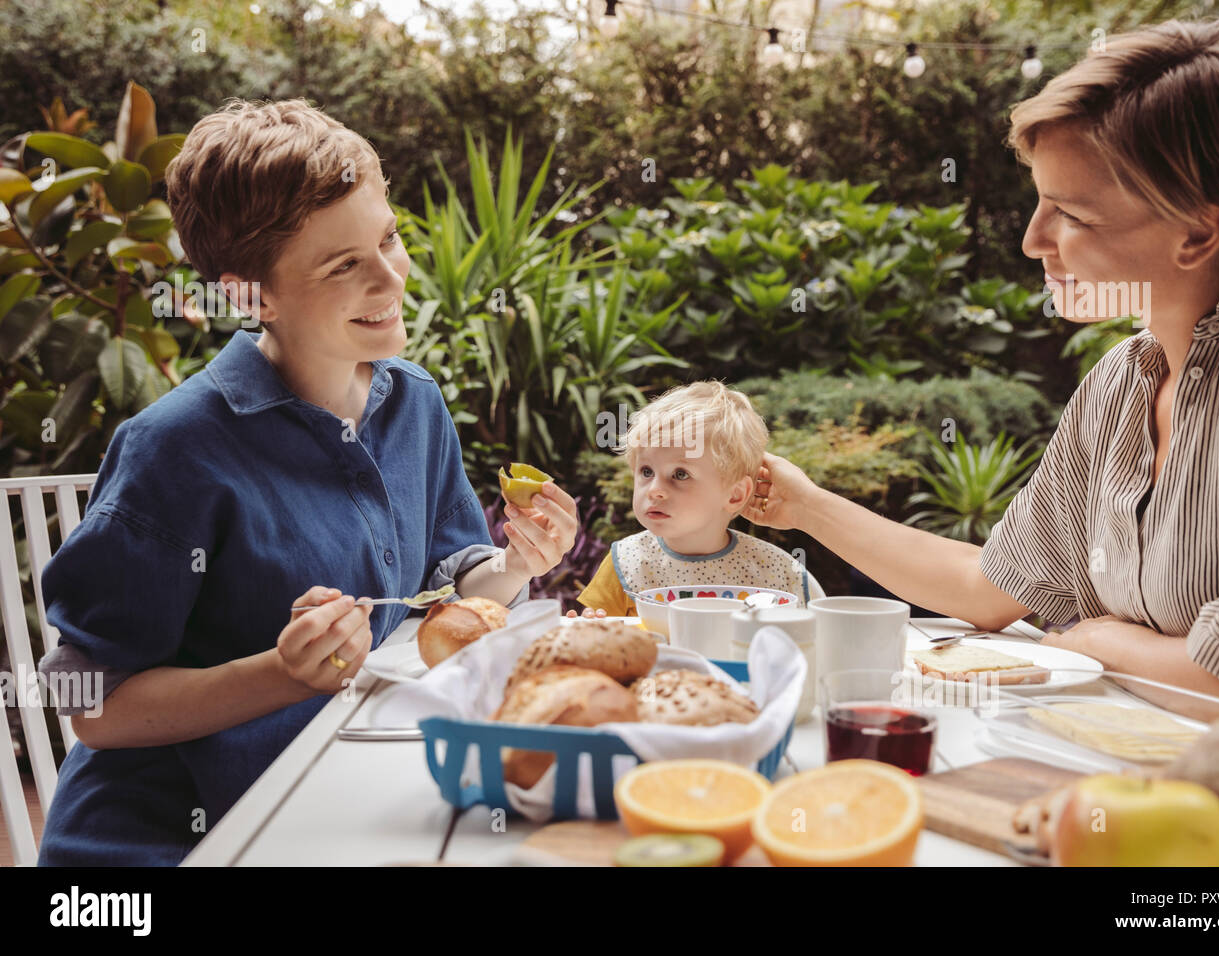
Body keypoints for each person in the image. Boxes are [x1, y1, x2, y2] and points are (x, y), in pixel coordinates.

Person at [34, 99, 579, 865]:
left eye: (387, 238)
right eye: (344, 264)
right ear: (250, 297)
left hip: (343, 809)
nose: (391, 276)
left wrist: (517, 563)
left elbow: (446, 603)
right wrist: (283, 674)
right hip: (169, 845)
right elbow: (86, 704)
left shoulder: (414, 402)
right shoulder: (173, 450)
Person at [742, 18, 1219, 712]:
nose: (1035, 240)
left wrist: (1095, 641)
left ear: (1198, 230)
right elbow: (989, 587)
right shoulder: (1124, 378)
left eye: (1070, 213)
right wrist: (804, 506)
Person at [572, 381, 808, 618]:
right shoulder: (625, 563)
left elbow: (805, 645)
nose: (654, 490)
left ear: (735, 495)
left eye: (680, 474)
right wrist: (586, 628)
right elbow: (593, 639)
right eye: (646, 471)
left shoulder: (776, 571)